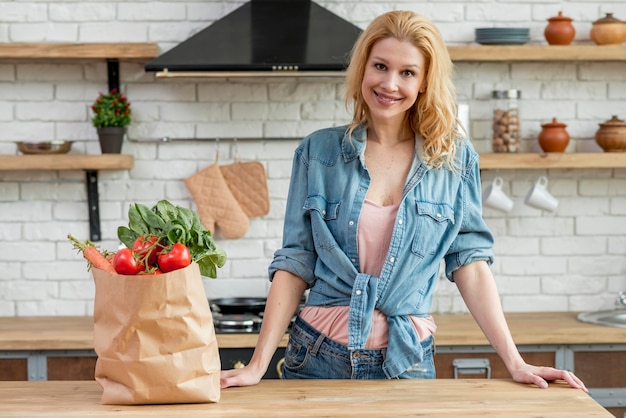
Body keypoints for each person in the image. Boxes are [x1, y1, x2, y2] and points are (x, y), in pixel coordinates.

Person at [220, 10, 587, 391]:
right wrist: (257, 364)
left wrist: (515, 361)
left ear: (425, 81)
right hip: (316, 355)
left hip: (406, 360)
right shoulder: (318, 153)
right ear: (363, 68)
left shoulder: (454, 160)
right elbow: (296, 261)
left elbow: (470, 264)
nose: (390, 83)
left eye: (407, 72)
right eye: (380, 66)